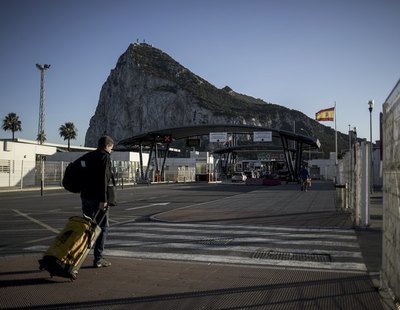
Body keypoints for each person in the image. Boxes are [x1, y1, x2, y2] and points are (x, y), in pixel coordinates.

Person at [80, 135, 114, 268]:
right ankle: (98, 258)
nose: (111, 151)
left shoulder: (88, 156)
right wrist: (104, 200)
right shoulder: (104, 157)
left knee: (86, 226)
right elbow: (103, 180)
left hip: (85, 197)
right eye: (111, 148)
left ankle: (77, 254)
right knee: (103, 227)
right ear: (107, 146)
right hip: (97, 199)